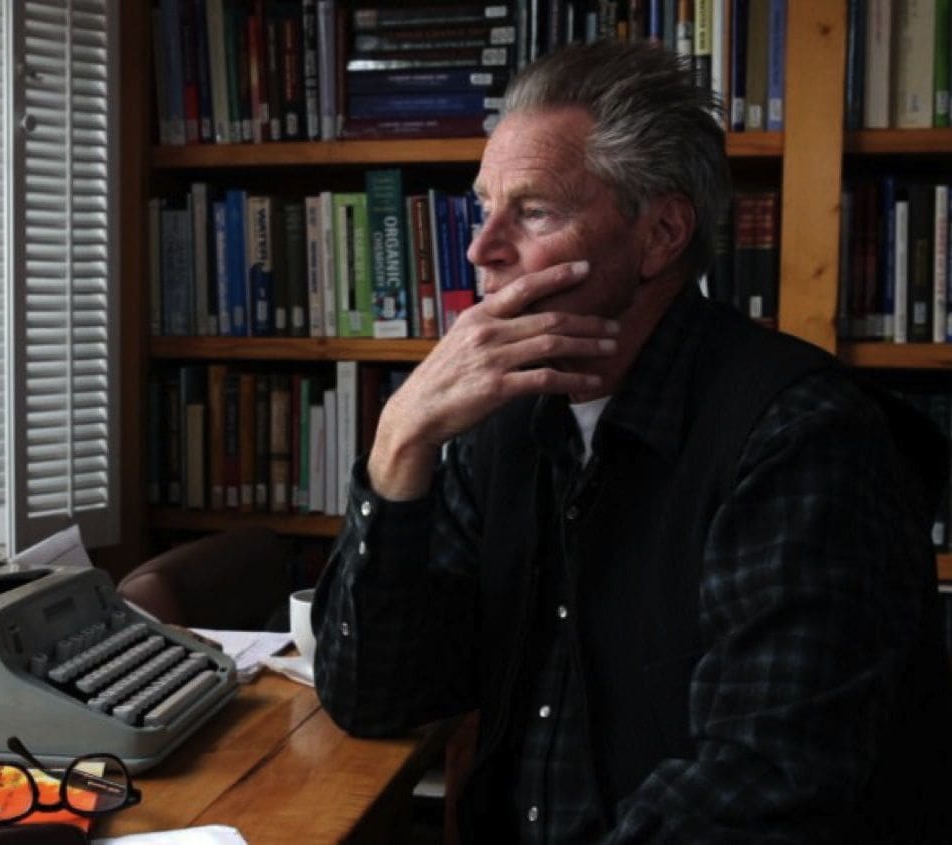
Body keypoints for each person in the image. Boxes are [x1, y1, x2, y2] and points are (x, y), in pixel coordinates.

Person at [310, 38, 952, 842]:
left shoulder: (802, 437)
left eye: (534, 212)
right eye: (484, 207)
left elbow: (762, 785)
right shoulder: (504, 419)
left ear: (661, 234)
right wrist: (399, 444)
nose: (480, 249)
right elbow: (374, 698)